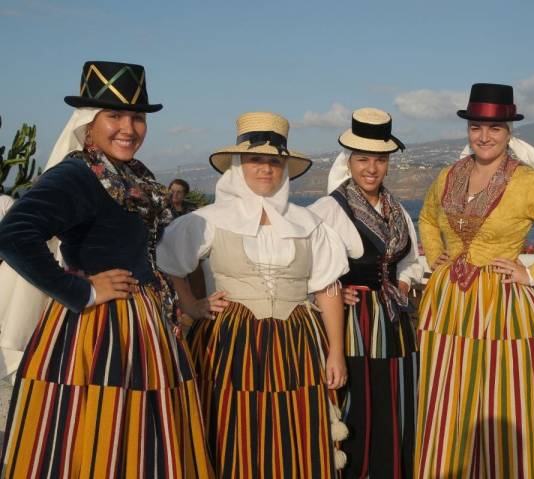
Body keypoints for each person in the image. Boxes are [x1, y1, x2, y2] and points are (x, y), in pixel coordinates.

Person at [0, 61, 213, 478]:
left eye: (137, 117)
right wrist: (81, 291)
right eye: (114, 116)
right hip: (98, 330)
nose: (128, 128)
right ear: (88, 123)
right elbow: (14, 236)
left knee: (142, 436)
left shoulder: (129, 174)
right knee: (101, 431)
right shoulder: (77, 174)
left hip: (143, 321)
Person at [157, 112, 351, 477]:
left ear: (285, 169)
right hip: (232, 343)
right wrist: (193, 305)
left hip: (297, 344)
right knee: (234, 426)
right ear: (238, 165)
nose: (266, 169)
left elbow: (327, 290)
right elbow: (168, 262)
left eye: (274, 161)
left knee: (296, 429)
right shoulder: (210, 219)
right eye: (255, 160)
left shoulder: (309, 223)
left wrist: (336, 351)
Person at [414, 83, 534, 478]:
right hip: (447, 305)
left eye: (494, 128)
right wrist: (436, 255)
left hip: (503, 306)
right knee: (448, 398)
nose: (484, 136)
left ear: (510, 132)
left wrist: (532, 272)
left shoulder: (528, 181)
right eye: (477, 127)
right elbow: (427, 217)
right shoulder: (448, 175)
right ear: (468, 130)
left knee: (501, 396)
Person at [310, 107, 424, 478]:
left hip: (394, 324)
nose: (371, 168)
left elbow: (410, 260)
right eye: (362, 159)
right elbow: (302, 265)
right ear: (349, 161)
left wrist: (404, 283)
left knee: (397, 404)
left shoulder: (398, 211)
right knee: (358, 406)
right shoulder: (327, 209)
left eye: (379, 159)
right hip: (353, 325)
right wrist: (325, 294)